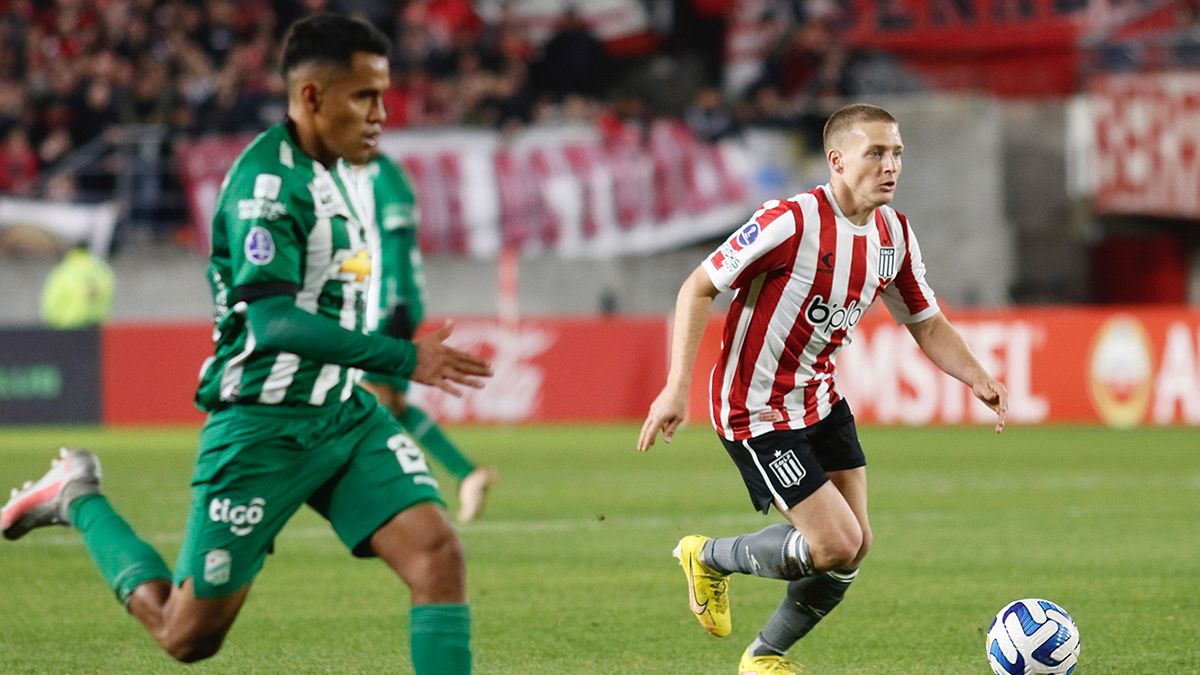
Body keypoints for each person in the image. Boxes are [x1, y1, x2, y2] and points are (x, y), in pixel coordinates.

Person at [0, 14, 491, 673]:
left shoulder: (342, 171)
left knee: (437, 555)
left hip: (342, 414)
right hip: (262, 424)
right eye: (364, 96)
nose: (381, 113)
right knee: (186, 635)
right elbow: (274, 323)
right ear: (312, 95)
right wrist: (405, 356)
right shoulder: (267, 185)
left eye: (383, 94)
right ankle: (76, 495)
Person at [636, 103, 1008, 674]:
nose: (891, 166)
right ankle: (707, 557)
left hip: (821, 399)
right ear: (836, 160)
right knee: (833, 542)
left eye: (897, 153)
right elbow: (698, 287)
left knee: (855, 547)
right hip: (755, 409)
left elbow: (926, 323)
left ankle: (764, 657)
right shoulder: (789, 222)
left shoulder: (894, 234)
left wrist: (977, 374)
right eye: (875, 153)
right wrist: (676, 386)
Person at [343, 152, 497, 523]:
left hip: (387, 301)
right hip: (382, 298)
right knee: (391, 402)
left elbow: (397, 243)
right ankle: (467, 474)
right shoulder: (358, 176)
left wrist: (396, 301)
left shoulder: (384, 177)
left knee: (359, 394)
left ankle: (396, 491)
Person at [39, 244, 115, 329]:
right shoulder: (102, 271)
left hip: (66, 325)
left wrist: (50, 321)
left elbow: (52, 299)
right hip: (96, 326)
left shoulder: (65, 270)